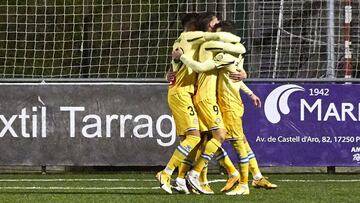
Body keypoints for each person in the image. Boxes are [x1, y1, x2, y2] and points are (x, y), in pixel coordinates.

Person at [156, 13, 243, 194]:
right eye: (214, 21)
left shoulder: (195, 44)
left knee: (199, 139)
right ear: (200, 25)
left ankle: (183, 179)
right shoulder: (192, 37)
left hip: (189, 93)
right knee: (202, 137)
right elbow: (221, 39)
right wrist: (237, 41)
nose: (216, 24)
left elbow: (177, 63)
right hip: (184, 93)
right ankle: (171, 173)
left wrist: (242, 74)